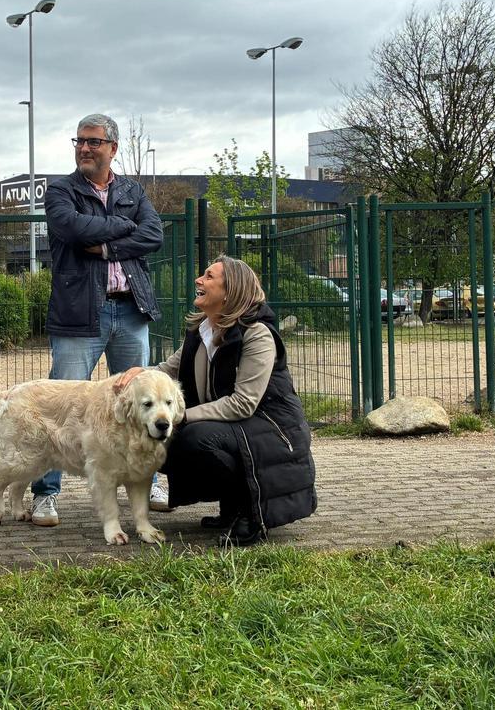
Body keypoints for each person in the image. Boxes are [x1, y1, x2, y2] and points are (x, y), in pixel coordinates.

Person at [116, 255, 317, 546]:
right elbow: (168, 370)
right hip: (237, 427)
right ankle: (232, 508)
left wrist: (181, 416)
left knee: (194, 437)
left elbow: (244, 403)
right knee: (161, 437)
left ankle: (251, 514)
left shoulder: (257, 334)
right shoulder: (203, 330)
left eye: (209, 277)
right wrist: (137, 374)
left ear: (231, 290)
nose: (199, 280)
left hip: (273, 430)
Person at [29, 113, 166, 527]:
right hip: (78, 313)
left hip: (130, 308)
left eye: (93, 142)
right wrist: (124, 226)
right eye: (79, 141)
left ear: (113, 148)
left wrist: (106, 248)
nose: (84, 148)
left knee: (142, 401)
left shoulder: (132, 190)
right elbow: (70, 228)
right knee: (61, 406)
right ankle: (45, 494)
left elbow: (154, 234)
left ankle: (149, 481)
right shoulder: (61, 191)